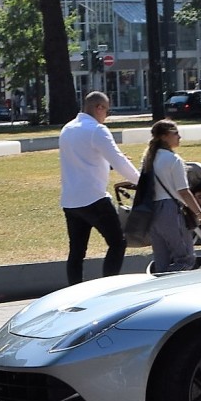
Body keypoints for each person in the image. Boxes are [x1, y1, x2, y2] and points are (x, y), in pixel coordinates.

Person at [58, 91, 140, 286]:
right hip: (94, 199)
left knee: (77, 252)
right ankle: (107, 290)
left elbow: (84, 160)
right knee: (118, 243)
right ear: (99, 108)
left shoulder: (67, 129)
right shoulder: (97, 130)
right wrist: (142, 181)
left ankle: (74, 292)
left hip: (70, 201)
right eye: (107, 111)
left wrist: (108, 165)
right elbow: (119, 161)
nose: (106, 116)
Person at [140, 119, 201, 273]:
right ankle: (171, 284)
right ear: (165, 136)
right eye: (176, 133)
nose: (179, 137)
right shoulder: (173, 160)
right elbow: (184, 192)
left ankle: (160, 288)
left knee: (161, 261)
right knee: (186, 259)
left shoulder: (148, 159)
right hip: (169, 210)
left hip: (152, 212)